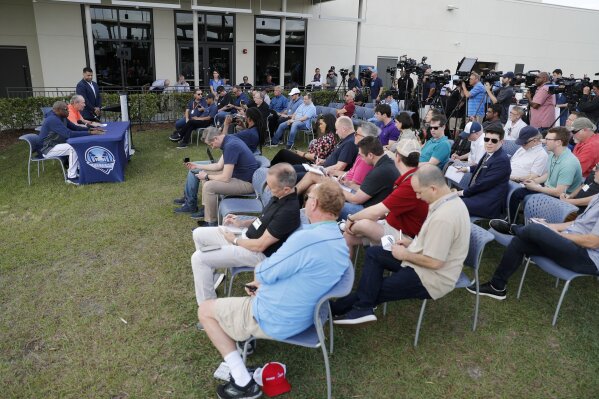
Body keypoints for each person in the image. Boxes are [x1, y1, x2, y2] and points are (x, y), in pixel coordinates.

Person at [197, 180, 349, 399]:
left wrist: (261, 278)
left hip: (280, 318)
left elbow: (265, 272)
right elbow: (304, 274)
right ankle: (241, 340)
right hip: (310, 314)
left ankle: (243, 383)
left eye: (307, 199)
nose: (305, 203)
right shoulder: (340, 241)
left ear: (314, 205)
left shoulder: (306, 238)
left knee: (205, 310)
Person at [332, 165, 471, 325]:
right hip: (422, 260)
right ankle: (361, 308)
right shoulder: (449, 201)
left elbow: (436, 262)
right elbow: (439, 243)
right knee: (373, 254)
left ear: (433, 188)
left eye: (419, 192)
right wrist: (411, 243)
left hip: (432, 278)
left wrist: (404, 255)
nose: (417, 197)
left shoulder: (444, 217)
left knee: (373, 288)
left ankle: (334, 309)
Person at [191, 163, 301, 306]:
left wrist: (235, 240)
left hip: (257, 253)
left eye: (271, 187)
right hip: (246, 237)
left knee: (199, 258)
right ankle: (211, 278)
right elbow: (264, 219)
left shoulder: (288, 211)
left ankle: (208, 309)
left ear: (286, 189)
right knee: (199, 234)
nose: (267, 189)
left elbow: (260, 245)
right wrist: (241, 223)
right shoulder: (280, 196)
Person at [475, 196, 599, 301]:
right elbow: (577, 224)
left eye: (598, 167)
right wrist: (551, 227)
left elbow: (593, 242)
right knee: (521, 241)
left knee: (535, 229)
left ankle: (514, 229)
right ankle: (497, 287)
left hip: (587, 258)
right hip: (571, 243)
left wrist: (559, 235)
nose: (594, 170)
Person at [343, 139, 428, 258]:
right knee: (349, 236)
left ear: (397, 157)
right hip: (395, 226)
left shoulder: (411, 183)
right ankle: (346, 275)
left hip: (404, 236)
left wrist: (351, 219)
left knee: (362, 224)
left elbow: (377, 210)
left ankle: (347, 227)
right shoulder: (414, 176)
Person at [173, 127, 259, 225]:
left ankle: (211, 223)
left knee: (209, 186)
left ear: (215, 138)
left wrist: (207, 176)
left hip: (246, 183)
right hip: (239, 177)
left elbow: (226, 178)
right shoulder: (229, 140)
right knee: (205, 175)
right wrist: (197, 166)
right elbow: (219, 166)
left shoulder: (231, 146)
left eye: (211, 144)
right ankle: (207, 212)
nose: (212, 147)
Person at [507, 127, 583, 222]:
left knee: (520, 194)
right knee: (517, 192)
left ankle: (514, 224)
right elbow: (548, 175)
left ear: (558, 142)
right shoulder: (553, 154)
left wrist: (536, 187)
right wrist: (533, 181)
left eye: (547, 139)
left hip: (561, 198)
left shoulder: (568, 163)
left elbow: (559, 192)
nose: (543, 141)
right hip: (548, 189)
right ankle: (511, 222)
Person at [38, 101, 103, 183]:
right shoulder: (52, 120)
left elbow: (75, 128)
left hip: (55, 144)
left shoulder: (62, 116)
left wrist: (90, 129)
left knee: (76, 145)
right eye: (66, 109)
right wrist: (89, 133)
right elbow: (69, 134)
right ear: (58, 110)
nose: (68, 111)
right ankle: (71, 177)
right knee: (73, 148)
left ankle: (78, 170)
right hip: (47, 148)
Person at [293, 117, 361, 195]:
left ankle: (287, 198)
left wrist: (321, 168)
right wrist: (324, 161)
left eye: (337, 129)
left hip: (328, 174)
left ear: (344, 129)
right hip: (323, 169)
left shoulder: (350, 143)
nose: (336, 132)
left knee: (293, 175)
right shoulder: (347, 140)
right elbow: (336, 159)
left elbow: (340, 166)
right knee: (293, 170)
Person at [339, 136, 400, 220]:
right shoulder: (387, 163)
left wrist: (336, 189)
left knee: (330, 204)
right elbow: (367, 190)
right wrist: (349, 185)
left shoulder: (379, 171)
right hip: (377, 208)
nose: (361, 159)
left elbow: (355, 200)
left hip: (370, 211)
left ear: (370, 155)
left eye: (362, 156)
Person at [457, 125, 511, 219]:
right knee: (447, 200)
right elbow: (482, 167)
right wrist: (468, 169)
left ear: (502, 142)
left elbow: (484, 183)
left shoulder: (501, 160)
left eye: (494, 140)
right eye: (487, 139)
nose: (489, 143)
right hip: (477, 194)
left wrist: (462, 192)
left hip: (487, 202)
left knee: (451, 204)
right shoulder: (490, 153)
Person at [271, 113, 337, 165]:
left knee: (283, 153)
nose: (319, 126)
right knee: (286, 155)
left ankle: (269, 168)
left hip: (310, 163)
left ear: (328, 124)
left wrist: (302, 154)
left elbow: (316, 158)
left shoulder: (327, 139)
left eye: (321, 124)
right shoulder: (329, 136)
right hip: (308, 159)